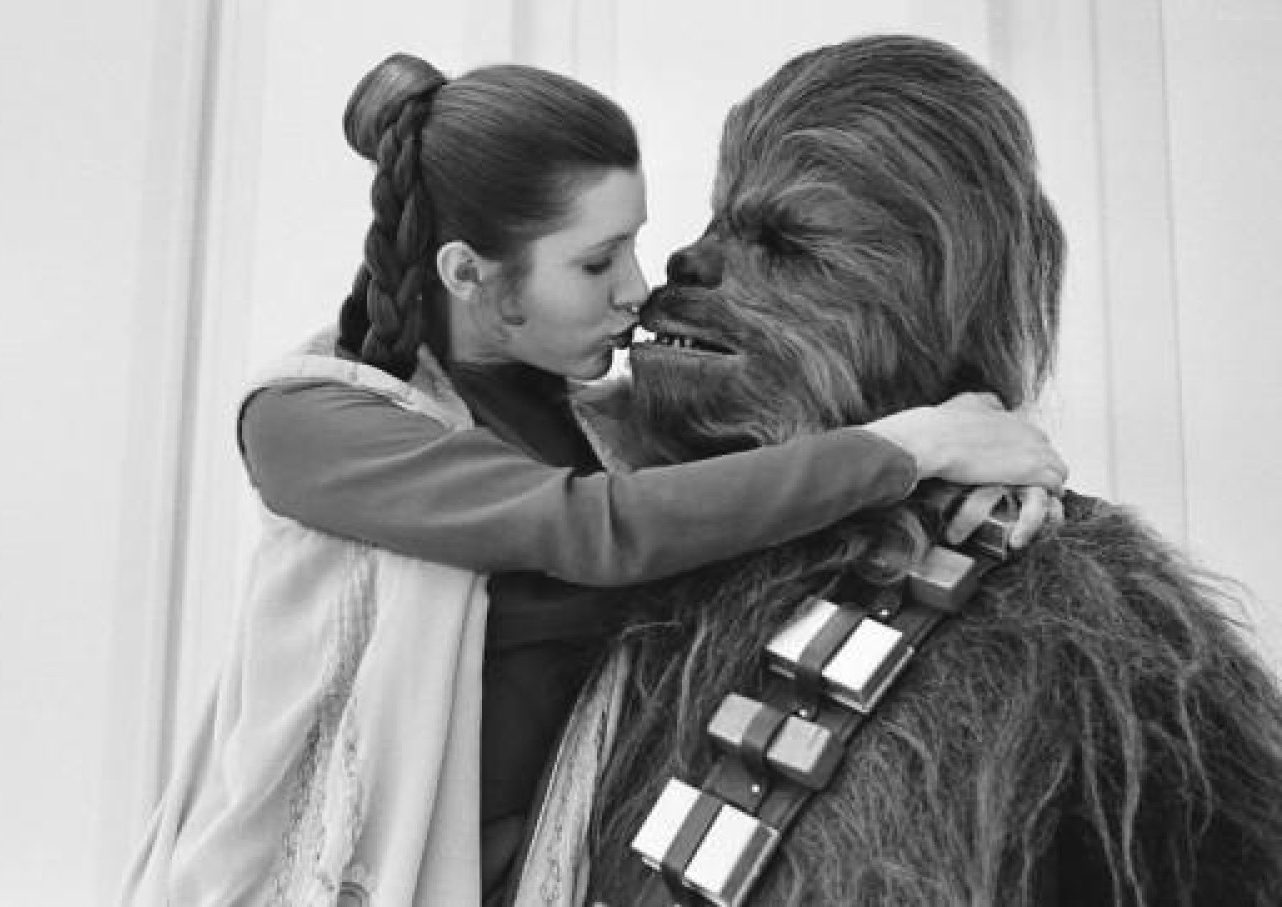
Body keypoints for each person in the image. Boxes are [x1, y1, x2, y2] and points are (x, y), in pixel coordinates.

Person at [121, 53, 1066, 906]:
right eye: (595, 262)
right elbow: (594, 529)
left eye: (637, 242)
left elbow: (748, 483)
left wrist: (976, 471)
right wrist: (907, 447)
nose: (640, 287)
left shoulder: (593, 419)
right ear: (469, 273)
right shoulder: (314, 421)